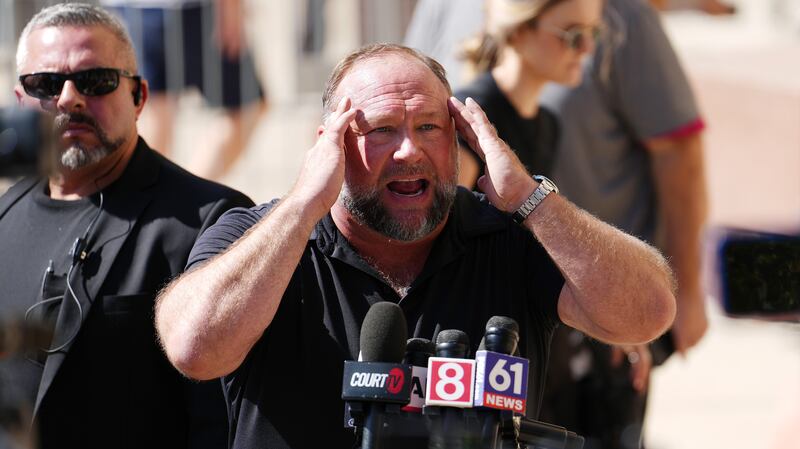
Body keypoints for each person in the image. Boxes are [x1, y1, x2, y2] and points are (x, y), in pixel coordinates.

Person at [154, 43, 677, 448]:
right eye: (381, 129)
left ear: (457, 139)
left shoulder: (509, 237)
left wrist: (528, 197)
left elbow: (648, 313)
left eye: (429, 126)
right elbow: (194, 351)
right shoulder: (259, 236)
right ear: (329, 145)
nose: (409, 150)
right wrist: (301, 207)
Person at [0, 3, 253, 448]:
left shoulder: (209, 222)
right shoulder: (6, 214)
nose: (68, 99)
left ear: (139, 98)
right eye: (45, 83)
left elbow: (223, 421)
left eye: (96, 81)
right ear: (22, 100)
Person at [537, 0, 709, 447]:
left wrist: (684, 289)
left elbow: (679, 154)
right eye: (571, 35)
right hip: (505, 313)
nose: (583, 47)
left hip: (605, 322)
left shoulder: (623, 14)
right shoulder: (447, 6)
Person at [100, 0, 268, 181]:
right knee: (247, 106)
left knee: (154, 118)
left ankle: (158, 198)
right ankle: (186, 196)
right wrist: (230, 7)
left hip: (132, 10)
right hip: (189, 12)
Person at [453, 0, 603, 188]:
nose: (588, 48)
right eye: (574, 35)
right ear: (518, 32)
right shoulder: (469, 117)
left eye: (594, 32)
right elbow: (450, 215)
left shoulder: (549, 125)